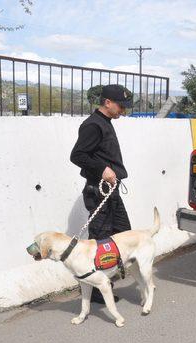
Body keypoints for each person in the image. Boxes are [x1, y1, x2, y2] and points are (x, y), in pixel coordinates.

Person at [70, 84, 133, 304]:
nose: (123, 111)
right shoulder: (92, 125)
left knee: (123, 234)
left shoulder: (105, 122)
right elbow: (77, 155)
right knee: (100, 243)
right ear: (107, 102)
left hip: (111, 191)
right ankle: (95, 289)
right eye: (120, 106)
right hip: (98, 191)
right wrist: (103, 169)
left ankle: (106, 278)